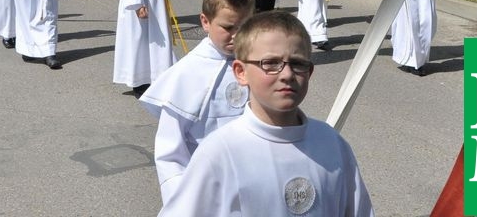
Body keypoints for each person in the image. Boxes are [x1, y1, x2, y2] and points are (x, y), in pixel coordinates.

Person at [157, 11, 374, 217]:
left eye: (297, 63)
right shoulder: (219, 153)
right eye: (271, 63)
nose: (287, 74)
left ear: (309, 72)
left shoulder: (332, 143)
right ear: (241, 72)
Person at [139, 0, 256, 204]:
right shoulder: (186, 74)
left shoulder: (260, 63)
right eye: (228, 27)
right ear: (205, 21)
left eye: (244, 27)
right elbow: (170, 152)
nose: (236, 35)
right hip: (207, 189)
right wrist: (182, 201)